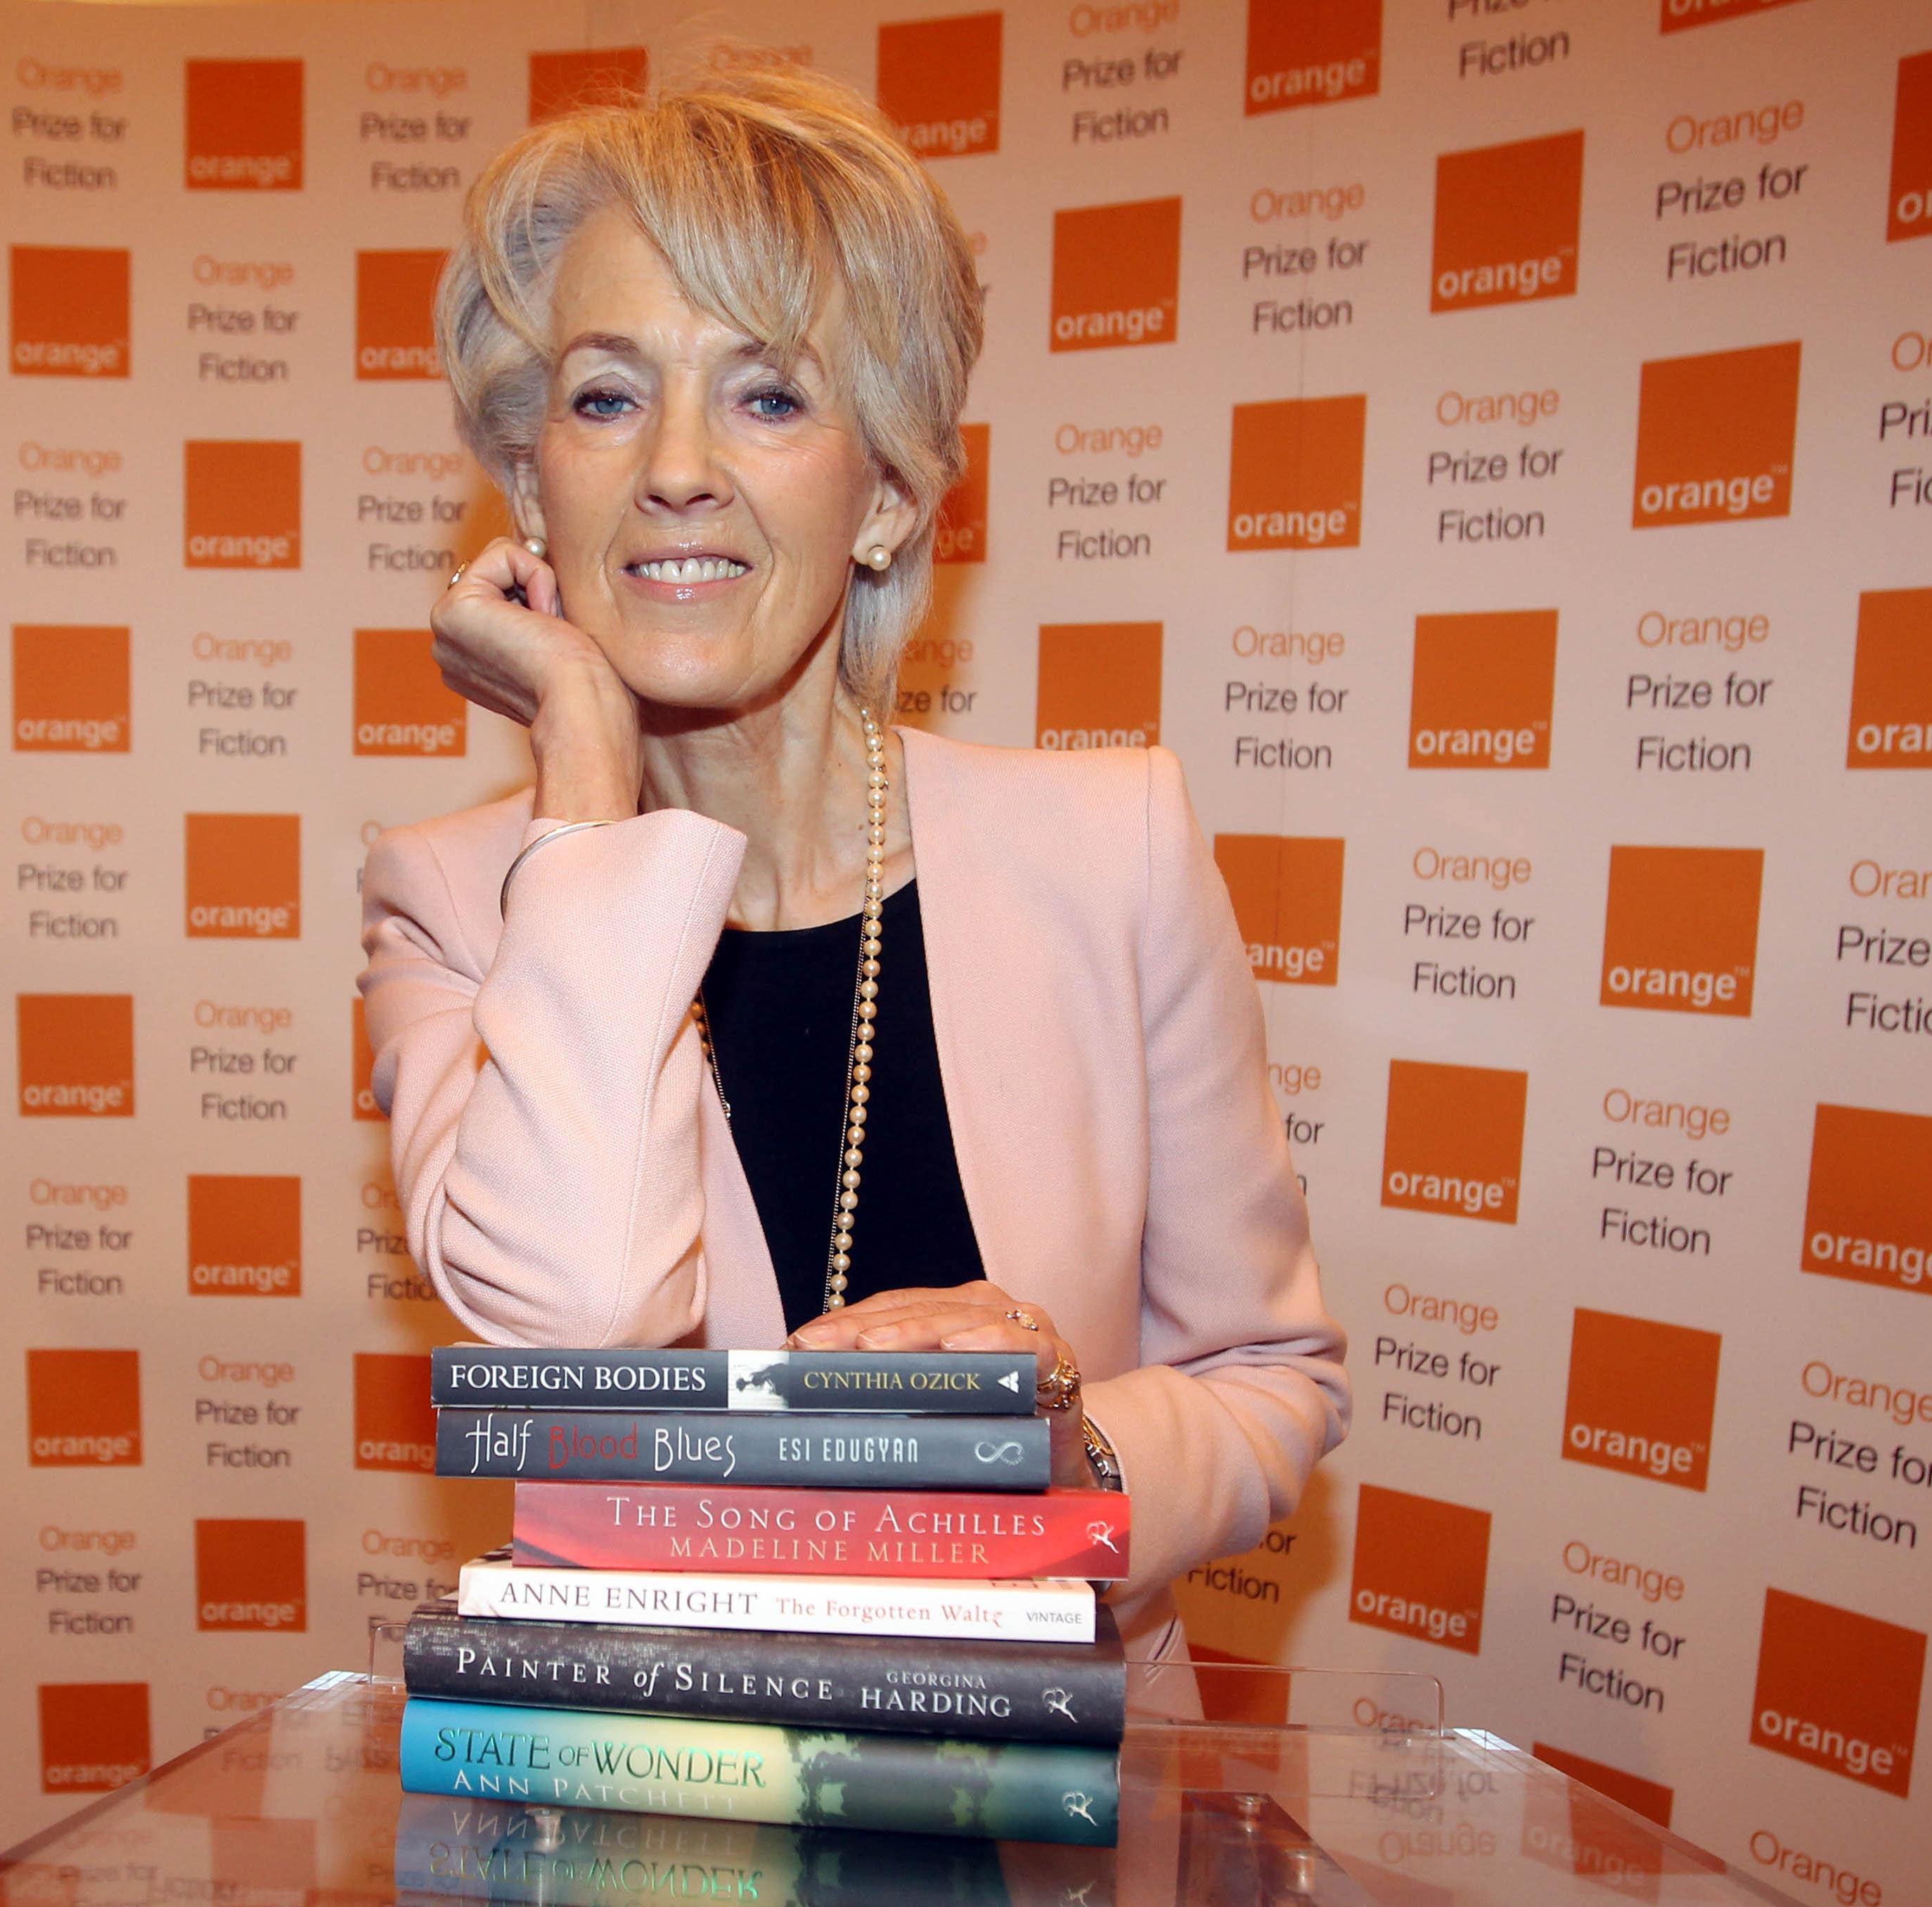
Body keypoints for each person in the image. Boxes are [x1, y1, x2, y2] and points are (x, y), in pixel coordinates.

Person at [358, 63, 1346, 1648]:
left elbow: (1270, 1380)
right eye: (606, 398)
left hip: (1051, 1779)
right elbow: (584, 1328)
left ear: (885, 492)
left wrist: (1065, 1453)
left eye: (768, 396)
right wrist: (585, 768)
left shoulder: (1117, 851)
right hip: (670, 1780)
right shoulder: (454, 906)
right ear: (532, 488)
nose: (677, 465)